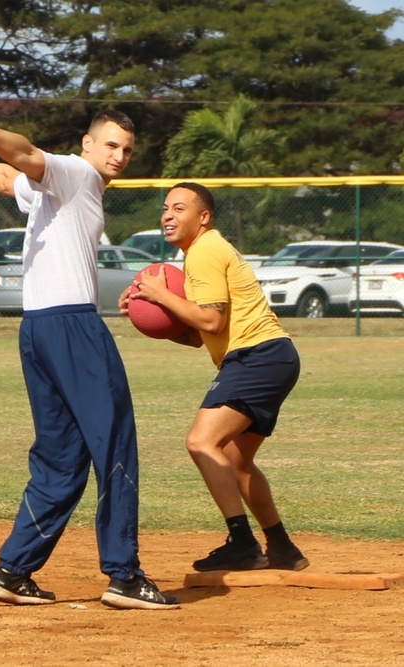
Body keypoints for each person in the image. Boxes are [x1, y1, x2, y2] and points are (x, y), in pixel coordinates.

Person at [0, 97, 179, 610]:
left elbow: (3, 179)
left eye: (127, 149)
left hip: (36, 327)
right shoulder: (75, 174)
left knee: (62, 457)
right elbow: (23, 156)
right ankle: (124, 575)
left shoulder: (58, 190)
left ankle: (13, 570)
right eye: (111, 144)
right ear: (87, 144)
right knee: (114, 444)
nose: (120, 155)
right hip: (72, 326)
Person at [122, 182, 307, 572]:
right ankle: (282, 548)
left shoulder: (205, 250)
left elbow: (210, 318)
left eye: (179, 208)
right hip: (270, 357)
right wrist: (150, 314)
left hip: (257, 357)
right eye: (165, 208)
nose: (168, 215)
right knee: (237, 462)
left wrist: (160, 295)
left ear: (203, 217)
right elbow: (199, 335)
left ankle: (241, 542)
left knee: (201, 442)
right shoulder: (201, 253)